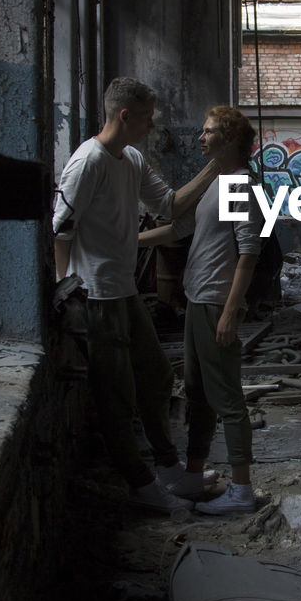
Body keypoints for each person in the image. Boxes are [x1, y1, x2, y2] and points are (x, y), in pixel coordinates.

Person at [53, 77, 218, 513]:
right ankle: (141, 485)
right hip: (95, 294)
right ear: (125, 116)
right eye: (147, 117)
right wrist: (63, 288)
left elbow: (170, 204)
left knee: (158, 376)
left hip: (122, 289)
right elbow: (61, 228)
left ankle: (168, 469)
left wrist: (213, 168)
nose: (151, 124)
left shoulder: (131, 159)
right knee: (116, 396)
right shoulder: (87, 163)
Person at [139, 105, 264, 514]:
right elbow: (180, 229)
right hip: (198, 297)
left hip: (215, 302)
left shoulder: (241, 185)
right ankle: (194, 474)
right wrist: (127, 241)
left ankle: (242, 491)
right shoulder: (219, 181)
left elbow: (248, 253)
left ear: (228, 139)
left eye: (208, 132)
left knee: (226, 398)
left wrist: (230, 312)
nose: (200, 138)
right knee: (197, 393)